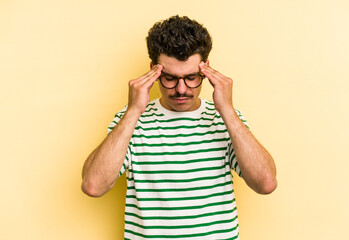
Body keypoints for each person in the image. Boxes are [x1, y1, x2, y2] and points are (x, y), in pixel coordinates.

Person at [81, 15, 277, 239]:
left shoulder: (226, 119)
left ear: (206, 70)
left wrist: (228, 111)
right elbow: (93, 186)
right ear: (153, 70)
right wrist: (134, 110)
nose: (182, 89)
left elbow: (266, 183)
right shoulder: (130, 121)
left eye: (192, 77)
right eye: (170, 78)